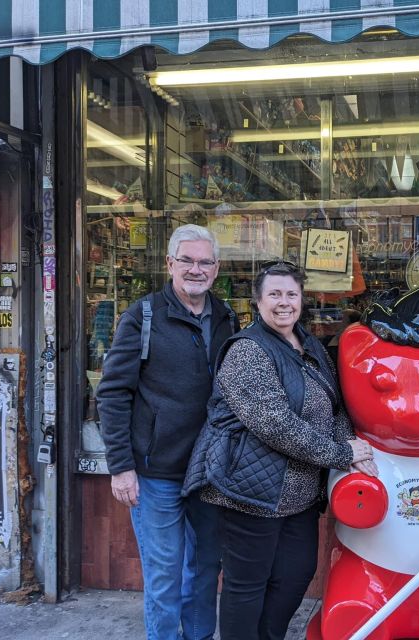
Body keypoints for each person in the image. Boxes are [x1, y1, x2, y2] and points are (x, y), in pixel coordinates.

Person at [183, 260, 377, 640]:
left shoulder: (311, 345)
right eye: (274, 294)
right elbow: (277, 426)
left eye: (291, 294)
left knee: (295, 576)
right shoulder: (247, 351)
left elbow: (333, 406)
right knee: (247, 585)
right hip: (249, 491)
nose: (284, 302)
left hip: (300, 494)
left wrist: (352, 449)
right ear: (258, 301)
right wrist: (341, 455)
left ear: (302, 299)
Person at [98, 224, 239, 640]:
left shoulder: (226, 317)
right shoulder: (142, 317)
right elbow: (112, 394)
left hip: (208, 472)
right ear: (170, 264)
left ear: (216, 268)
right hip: (155, 473)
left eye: (205, 262)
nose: (196, 270)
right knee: (165, 574)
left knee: (203, 570)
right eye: (187, 261)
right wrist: (121, 467)